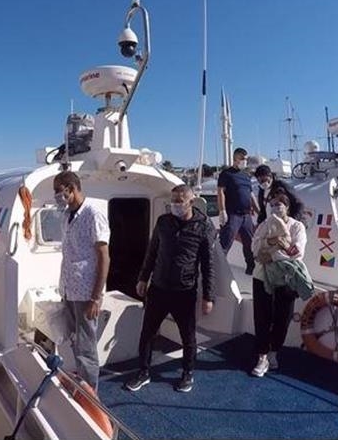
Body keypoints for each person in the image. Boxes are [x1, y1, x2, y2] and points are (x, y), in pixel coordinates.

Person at [125, 185, 216, 394]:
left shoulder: (204, 226)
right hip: (159, 288)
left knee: (188, 336)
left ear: (191, 202)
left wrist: (208, 296)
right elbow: (152, 252)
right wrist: (143, 278)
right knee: (147, 333)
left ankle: (187, 373)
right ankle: (143, 372)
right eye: (172, 201)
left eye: (179, 201)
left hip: (184, 291)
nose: (174, 205)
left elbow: (208, 264)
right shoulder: (163, 222)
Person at [54, 170, 110, 391]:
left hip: (86, 293)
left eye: (58, 191)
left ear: (71, 188)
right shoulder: (68, 214)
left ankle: (90, 394)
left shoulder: (93, 214)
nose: (56, 196)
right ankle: (82, 381)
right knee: (75, 340)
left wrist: (96, 298)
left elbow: (104, 257)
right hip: (69, 289)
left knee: (86, 346)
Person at [249, 194, 311, 377]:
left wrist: (270, 254)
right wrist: (273, 242)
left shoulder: (297, 227)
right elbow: (254, 247)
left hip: (286, 278)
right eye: (273, 204)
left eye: (279, 204)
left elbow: (296, 253)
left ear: (287, 207)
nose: (276, 207)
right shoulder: (264, 225)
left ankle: (274, 352)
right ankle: (262, 356)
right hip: (261, 277)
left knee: (283, 317)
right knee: (262, 317)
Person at [217, 147, 257, 275]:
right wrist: (222, 211)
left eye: (246, 159)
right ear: (235, 158)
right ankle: (217, 269)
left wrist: (259, 211)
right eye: (243, 158)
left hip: (246, 215)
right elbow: (220, 192)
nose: (245, 161)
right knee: (225, 242)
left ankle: (251, 269)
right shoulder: (226, 174)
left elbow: (251, 195)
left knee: (250, 243)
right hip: (233, 214)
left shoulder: (246, 176)